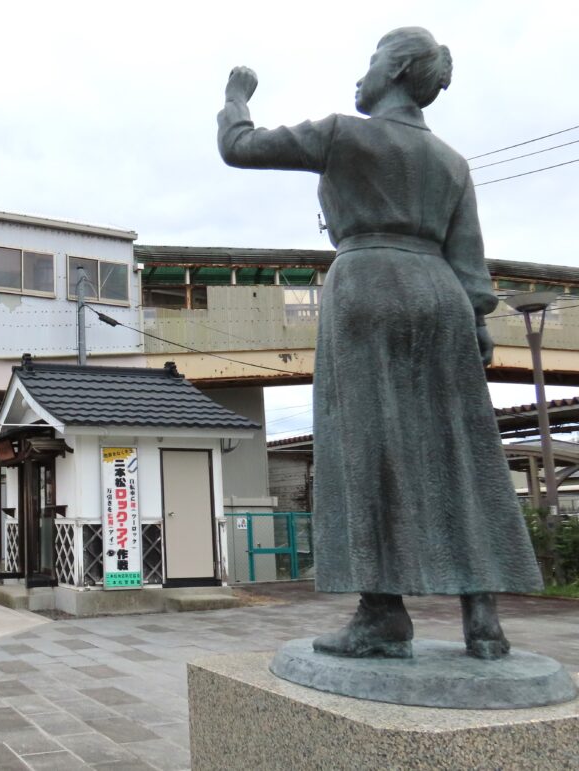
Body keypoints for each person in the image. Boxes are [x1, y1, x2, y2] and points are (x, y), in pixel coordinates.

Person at [218, 27, 543, 660]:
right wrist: (476, 321)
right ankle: (483, 618)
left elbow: (239, 147)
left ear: (393, 70)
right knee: (462, 445)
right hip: (442, 295)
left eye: (368, 63)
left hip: (367, 284)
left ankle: (382, 613)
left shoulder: (346, 133)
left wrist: (236, 95)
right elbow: (471, 262)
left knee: (362, 444)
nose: (358, 77)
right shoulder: (451, 162)